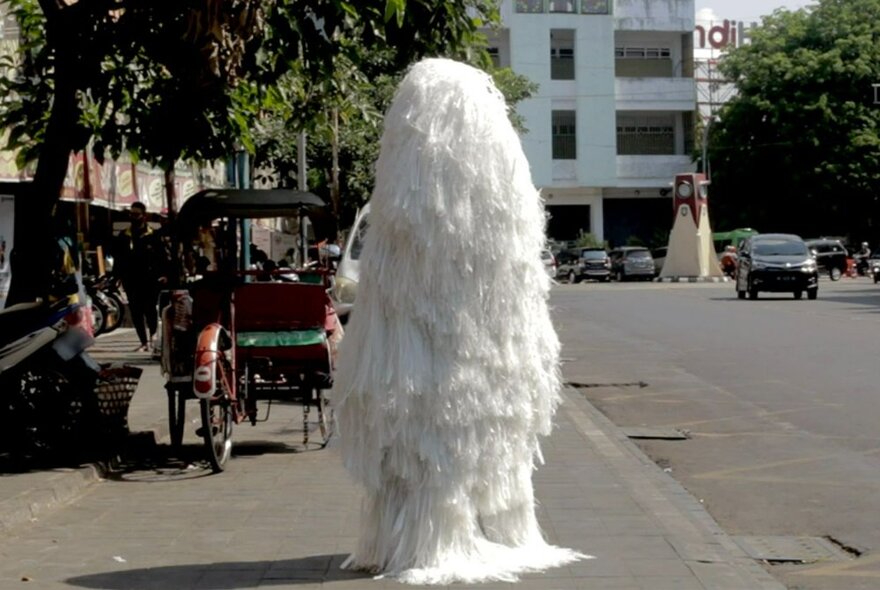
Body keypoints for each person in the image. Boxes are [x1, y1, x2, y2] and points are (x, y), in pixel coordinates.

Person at [332, 58, 586, 584]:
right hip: (482, 355)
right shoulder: (502, 197)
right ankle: (478, 529)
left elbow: (387, 285)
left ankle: (419, 537)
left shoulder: (400, 205)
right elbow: (519, 290)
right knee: (480, 441)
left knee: (423, 451)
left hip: (418, 356)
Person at [112, 202, 170, 352]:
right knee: (136, 311)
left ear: (144, 216)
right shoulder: (124, 236)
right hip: (131, 279)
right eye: (131, 214)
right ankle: (143, 342)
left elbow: (162, 257)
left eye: (136, 214)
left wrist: (164, 274)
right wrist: (116, 277)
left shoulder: (153, 235)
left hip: (150, 279)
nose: (133, 217)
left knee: (150, 310)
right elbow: (118, 258)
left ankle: (153, 338)